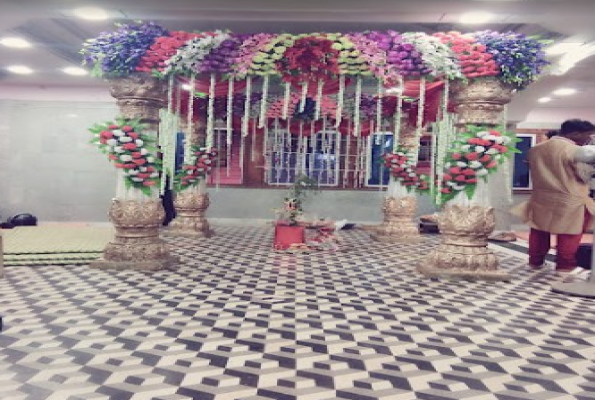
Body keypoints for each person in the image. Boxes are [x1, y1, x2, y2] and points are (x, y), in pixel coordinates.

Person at [513, 119, 595, 272]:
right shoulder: (575, 151)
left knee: (539, 230)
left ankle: (535, 262)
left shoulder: (536, 149)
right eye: (588, 135)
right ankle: (564, 266)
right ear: (576, 134)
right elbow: (584, 176)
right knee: (569, 234)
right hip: (570, 198)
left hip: (541, 197)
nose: (589, 139)